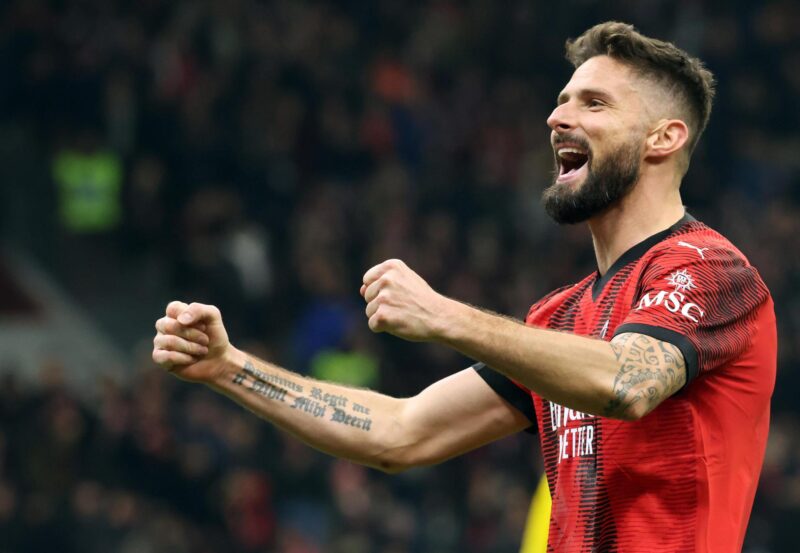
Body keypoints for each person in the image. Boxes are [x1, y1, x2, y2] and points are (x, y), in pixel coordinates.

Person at [152, 22, 776, 552]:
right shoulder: (560, 318)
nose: (557, 116)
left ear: (663, 137)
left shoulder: (712, 270)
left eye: (594, 103)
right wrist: (230, 368)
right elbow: (401, 432)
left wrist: (444, 316)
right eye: (562, 100)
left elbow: (627, 381)